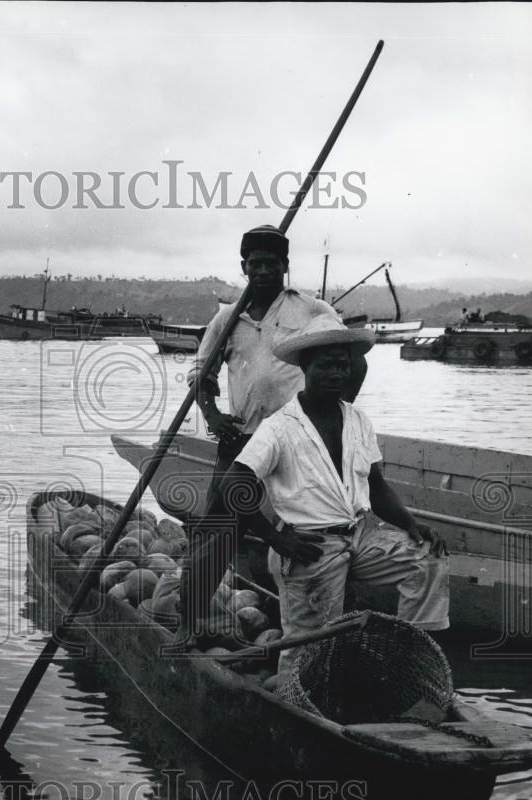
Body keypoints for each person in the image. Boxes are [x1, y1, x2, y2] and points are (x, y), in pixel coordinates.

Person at [178, 313, 449, 656]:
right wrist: (276, 537)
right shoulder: (280, 427)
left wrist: (412, 525)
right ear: (305, 368)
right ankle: (295, 692)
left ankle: (408, 658)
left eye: (342, 365)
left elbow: (376, 487)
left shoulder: (358, 420)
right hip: (311, 547)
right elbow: (233, 487)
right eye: (325, 366)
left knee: (427, 559)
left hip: (360, 536)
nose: (336, 373)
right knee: (308, 651)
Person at [189, 225, 367, 506]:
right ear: (243, 267)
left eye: (271, 263)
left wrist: (335, 412)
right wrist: (212, 416)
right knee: (220, 522)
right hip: (242, 438)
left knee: (303, 518)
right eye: (254, 264)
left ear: (285, 266)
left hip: (297, 438)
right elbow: (200, 373)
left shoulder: (313, 310)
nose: (262, 271)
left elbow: (355, 363)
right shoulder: (226, 320)